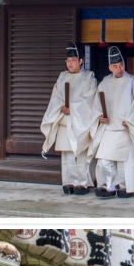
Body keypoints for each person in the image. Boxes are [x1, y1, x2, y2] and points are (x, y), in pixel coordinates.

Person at [88, 46, 134, 198]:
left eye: (121, 65)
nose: (119, 69)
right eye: (115, 66)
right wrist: (99, 117)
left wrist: (131, 121)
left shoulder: (132, 82)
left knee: (126, 163)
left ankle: (125, 187)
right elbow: (96, 105)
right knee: (105, 160)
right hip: (109, 128)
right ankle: (108, 186)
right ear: (110, 67)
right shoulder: (104, 83)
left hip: (126, 128)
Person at [40, 42, 98, 194]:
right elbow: (56, 97)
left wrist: (72, 108)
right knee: (67, 155)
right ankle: (68, 181)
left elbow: (89, 99)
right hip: (65, 121)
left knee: (80, 153)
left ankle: (83, 183)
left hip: (81, 122)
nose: (70, 64)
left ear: (80, 61)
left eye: (73, 61)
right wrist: (61, 108)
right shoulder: (62, 77)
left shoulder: (89, 77)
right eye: (68, 61)